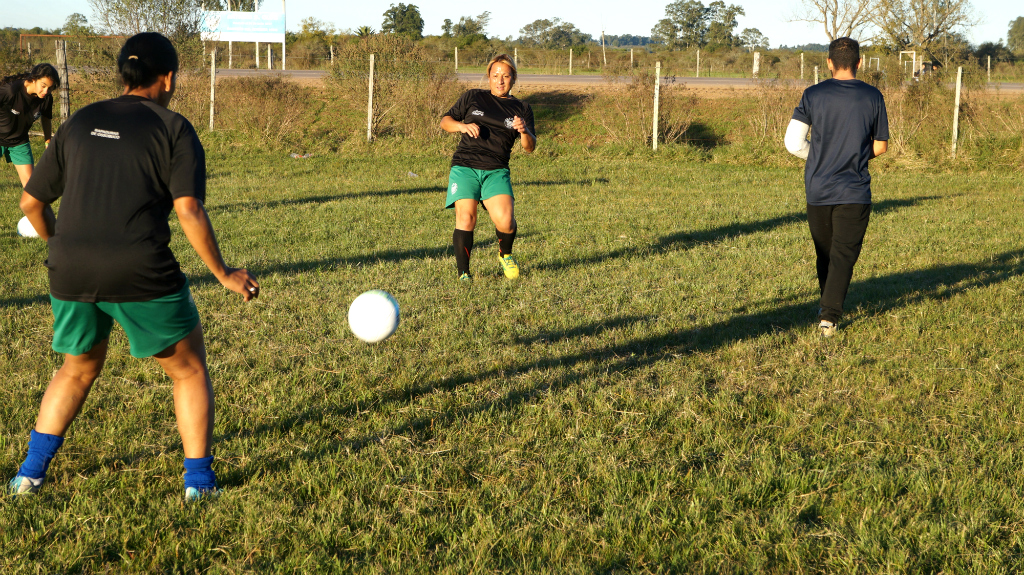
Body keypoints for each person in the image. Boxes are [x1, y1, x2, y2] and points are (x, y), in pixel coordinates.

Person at [10, 32, 259, 501]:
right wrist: (224, 273)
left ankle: (28, 475)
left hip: (69, 268)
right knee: (187, 371)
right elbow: (188, 209)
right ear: (167, 78)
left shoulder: (80, 120)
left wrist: (63, 245)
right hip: (140, 268)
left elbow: (30, 202)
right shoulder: (174, 128)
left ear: (124, 73)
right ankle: (199, 484)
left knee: (76, 369)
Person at [784, 37, 889, 337]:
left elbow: (792, 143)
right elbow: (880, 146)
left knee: (826, 253)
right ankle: (829, 316)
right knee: (843, 255)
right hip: (854, 190)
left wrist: (818, 155)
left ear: (828, 62)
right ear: (859, 62)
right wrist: (853, 154)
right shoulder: (873, 96)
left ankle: (827, 310)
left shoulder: (812, 94)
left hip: (817, 189)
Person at [440, 54, 536, 282]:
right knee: (466, 218)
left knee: (505, 221)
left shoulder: (521, 107)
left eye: (505, 76)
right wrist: (462, 126)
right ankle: (464, 273)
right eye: (495, 76)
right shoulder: (473, 97)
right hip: (465, 166)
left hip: (496, 169)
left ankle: (505, 254)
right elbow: (446, 121)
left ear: (513, 79)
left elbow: (530, 147)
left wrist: (524, 131)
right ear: (489, 77)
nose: (500, 80)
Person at [0, 63, 59, 190]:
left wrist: (47, 141)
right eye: (43, 86)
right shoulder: (11, 91)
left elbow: (46, 118)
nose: (46, 91)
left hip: (19, 142)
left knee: (32, 188)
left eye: (50, 88)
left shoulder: (47, 98)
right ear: (33, 79)